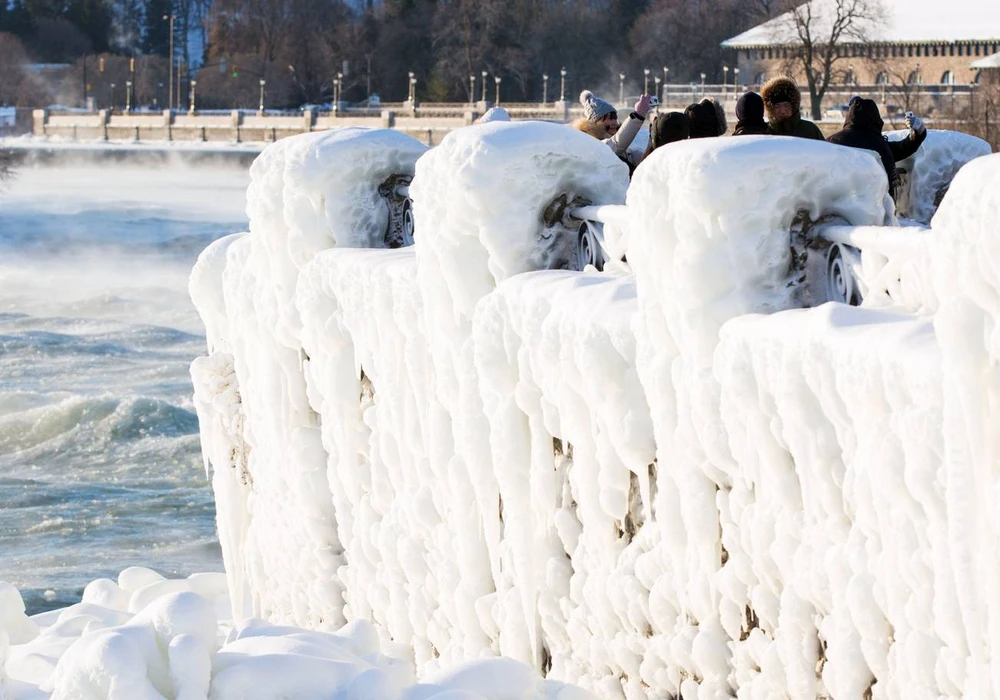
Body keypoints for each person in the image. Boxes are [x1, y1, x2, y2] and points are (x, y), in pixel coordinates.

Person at [827, 96, 927, 199]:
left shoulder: (831, 142)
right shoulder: (880, 146)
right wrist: (919, 131)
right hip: (877, 207)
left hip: (836, 204)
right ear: (876, 118)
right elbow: (904, 148)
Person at [573, 89, 652, 171]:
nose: (614, 122)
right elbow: (616, 144)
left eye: (615, 118)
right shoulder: (594, 145)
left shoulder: (626, 150)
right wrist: (638, 115)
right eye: (609, 118)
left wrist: (654, 139)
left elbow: (641, 159)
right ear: (596, 123)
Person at [760, 77, 824, 140]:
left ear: (793, 107)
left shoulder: (809, 130)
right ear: (771, 109)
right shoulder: (764, 132)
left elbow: (824, 149)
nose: (782, 111)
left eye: (786, 106)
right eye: (777, 106)